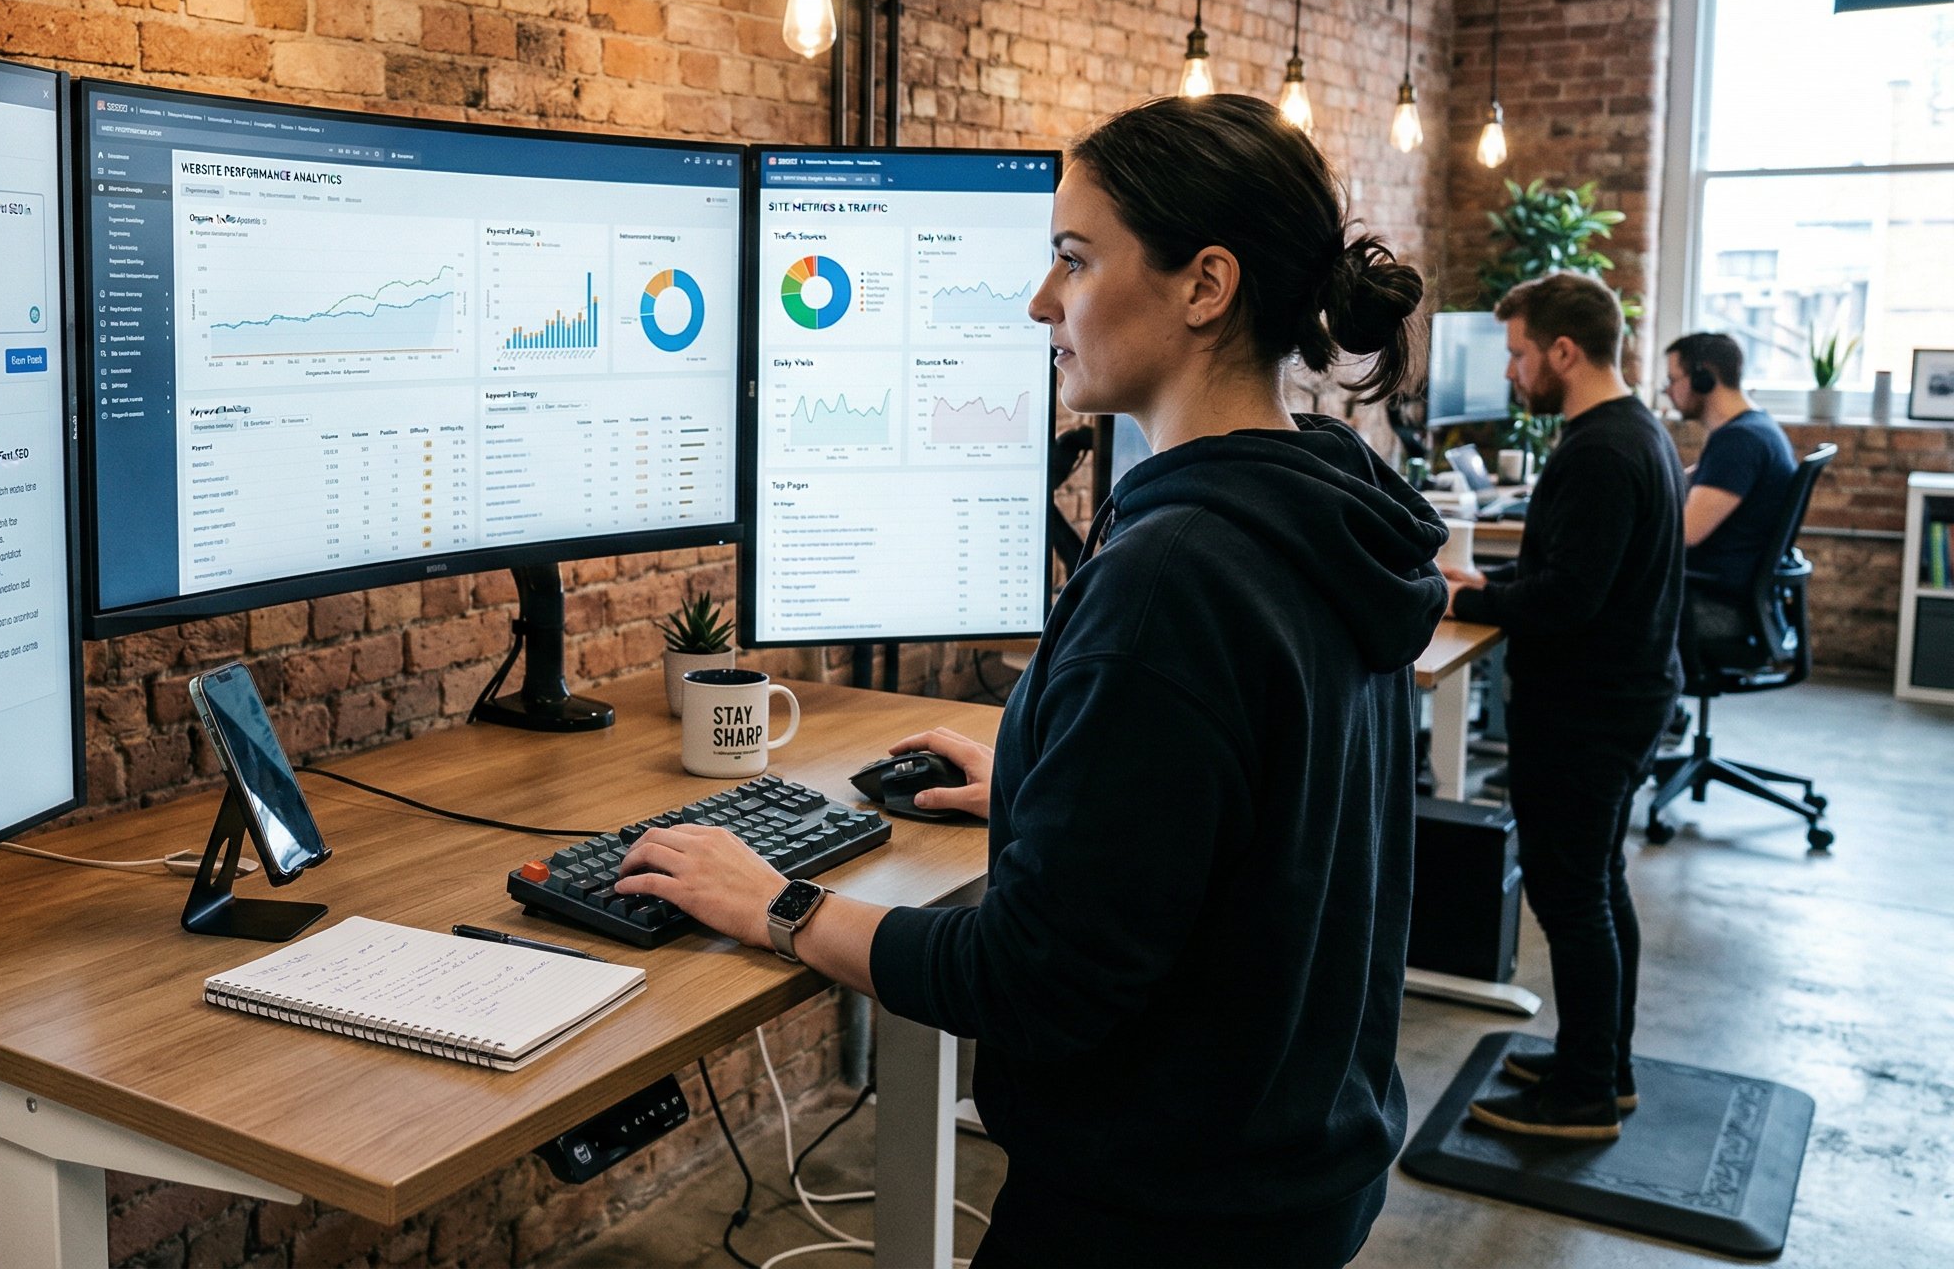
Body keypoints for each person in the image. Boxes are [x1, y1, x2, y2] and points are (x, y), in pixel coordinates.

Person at [614, 95, 1448, 1266]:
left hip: (1158, 1218)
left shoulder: (1174, 574)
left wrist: (777, 906)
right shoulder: (1317, 512)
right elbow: (1267, 822)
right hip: (1288, 1171)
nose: (1040, 302)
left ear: (1204, 286)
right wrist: (1059, 786)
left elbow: (1031, 982)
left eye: (1072, 259)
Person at [1441, 273, 1684, 1141]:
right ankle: (1601, 1064)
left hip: (1588, 710)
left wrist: (1466, 602)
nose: (1511, 373)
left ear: (1563, 352)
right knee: (1597, 887)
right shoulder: (1633, 432)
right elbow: (1581, 575)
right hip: (1623, 697)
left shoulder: (1598, 452)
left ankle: (1582, 1096)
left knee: (1573, 897)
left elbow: (1570, 598)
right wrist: (1490, 584)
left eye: (1517, 354)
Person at [1663, 331, 1795, 645]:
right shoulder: (1754, 428)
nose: (1667, 391)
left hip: (1717, 608)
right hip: (1732, 598)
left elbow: (1686, 532)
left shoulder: (1739, 442)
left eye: (1672, 379)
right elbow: (1690, 481)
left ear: (1703, 377)